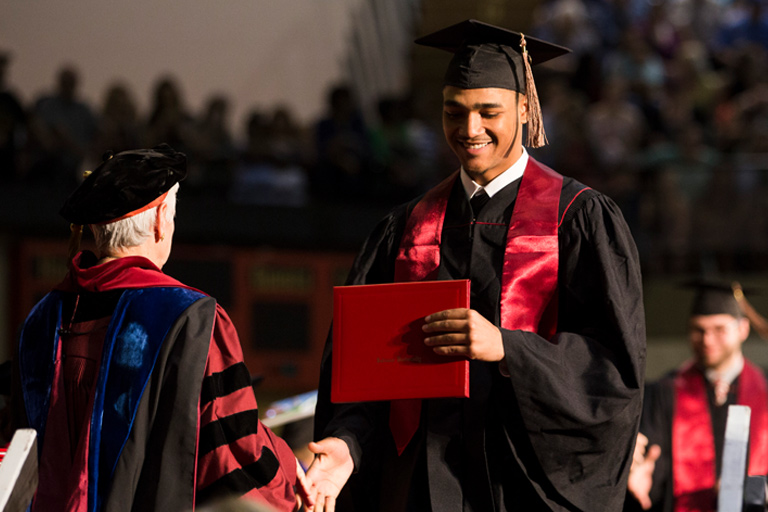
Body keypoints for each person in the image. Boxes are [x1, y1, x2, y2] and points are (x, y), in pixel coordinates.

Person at [308, 19, 646, 512]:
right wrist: (346, 446)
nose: (469, 130)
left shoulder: (578, 218)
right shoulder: (403, 229)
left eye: (489, 112)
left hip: (525, 483)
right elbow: (361, 372)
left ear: (525, 109)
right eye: (454, 112)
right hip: (422, 483)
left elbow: (612, 371)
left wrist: (507, 348)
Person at [11, 145, 311, 511]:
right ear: (159, 218)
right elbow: (230, 450)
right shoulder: (189, 317)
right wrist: (286, 468)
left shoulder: (41, 319)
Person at [625, 280, 768, 512]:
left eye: (719, 329)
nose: (707, 340)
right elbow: (654, 464)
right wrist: (639, 478)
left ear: (743, 329)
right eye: (698, 330)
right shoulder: (664, 392)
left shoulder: (765, 390)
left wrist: (757, 491)